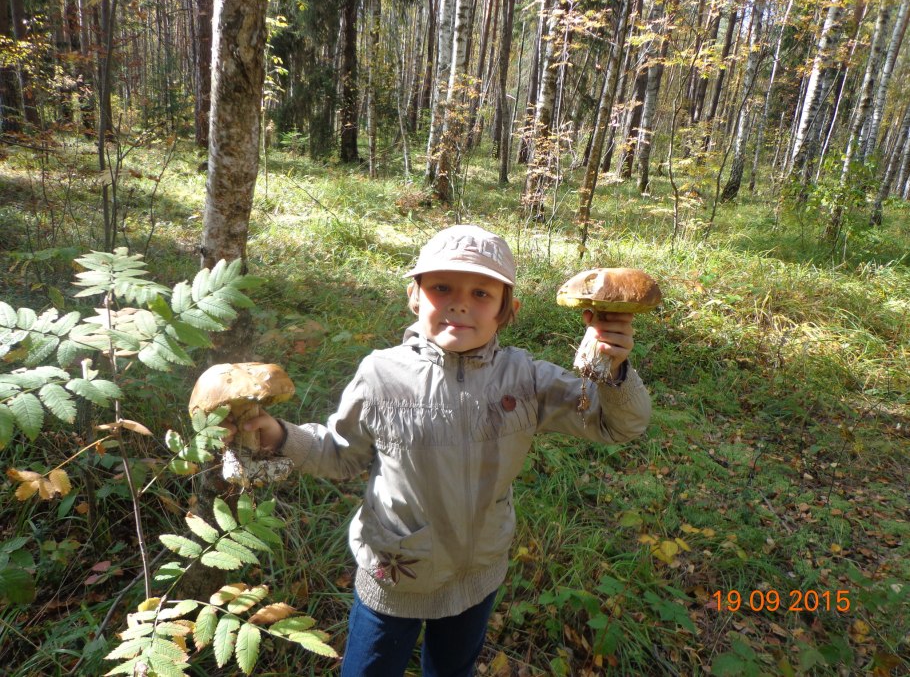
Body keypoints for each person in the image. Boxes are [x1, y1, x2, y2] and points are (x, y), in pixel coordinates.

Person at [227, 225, 652, 677]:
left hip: (479, 571)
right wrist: (279, 437)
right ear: (415, 295)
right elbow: (341, 453)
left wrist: (615, 369)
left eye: (482, 293)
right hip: (395, 573)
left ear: (508, 311)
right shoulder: (380, 375)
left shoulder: (525, 379)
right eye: (442, 287)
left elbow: (617, 426)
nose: (460, 302)